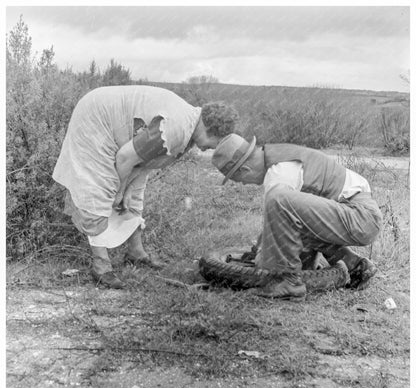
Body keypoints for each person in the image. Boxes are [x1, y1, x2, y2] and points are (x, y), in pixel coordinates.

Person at [53, 85, 238, 289]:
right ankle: (101, 266)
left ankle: (136, 253)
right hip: (96, 118)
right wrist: (120, 190)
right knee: (100, 187)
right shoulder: (175, 128)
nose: (212, 148)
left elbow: (142, 163)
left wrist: (129, 190)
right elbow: (124, 158)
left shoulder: (190, 127)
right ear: (209, 128)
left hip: (116, 127)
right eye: (215, 142)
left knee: (135, 193)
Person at [211, 134, 383, 300]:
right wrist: (258, 250)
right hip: (356, 214)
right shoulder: (280, 158)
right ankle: (355, 265)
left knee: (277, 200)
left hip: (361, 218)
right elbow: (283, 222)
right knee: (290, 223)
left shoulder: (279, 172)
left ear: (244, 169)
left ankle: (289, 282)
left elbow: (278, 210)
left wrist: (266, 260)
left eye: (239, 179)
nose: (244, 183)